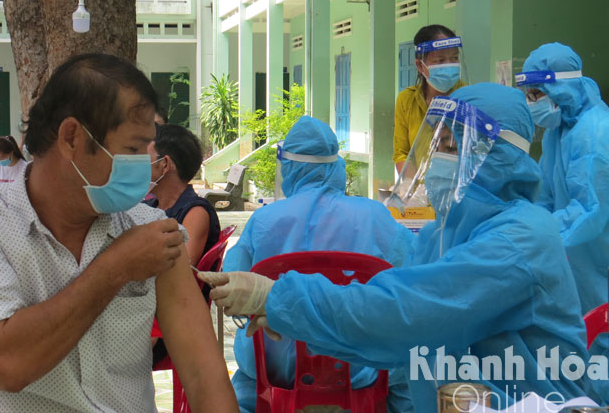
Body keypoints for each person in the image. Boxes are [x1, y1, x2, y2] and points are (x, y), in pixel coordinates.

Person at [201, 84, 608, 410]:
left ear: (496, 156)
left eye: (451, 148)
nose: (440, 162)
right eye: (439, 147)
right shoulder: (443, 232)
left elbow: (405, 312)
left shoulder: (520, 239)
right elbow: (396, 309)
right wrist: (296, 314)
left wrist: (278, 298)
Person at [0, 53, 237, 413]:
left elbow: (204, 375)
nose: (143, 165)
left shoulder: (150, 231)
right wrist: (117, 267)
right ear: (72, 137)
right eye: (133, 149)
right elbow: (7, 364)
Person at [219, 115, 416, 413]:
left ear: (287, 167)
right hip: (361, 367)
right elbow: (414, 279)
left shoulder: (263, 221)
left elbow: (232, 283)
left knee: (246, 383)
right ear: (336, 166)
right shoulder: (376, 218)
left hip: (274, 369)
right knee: (408, 374)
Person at [517, 42, 609, 356]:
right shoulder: (560, 130)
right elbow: (547, 195)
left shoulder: (594, 132)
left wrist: (537, 234)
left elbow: (590, 211)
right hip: (578, 260)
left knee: (601, 344)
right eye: (528, 95)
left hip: (598, 260)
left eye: (537, 94)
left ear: (561, 88)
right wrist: (527, 221)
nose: (532, 104)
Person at [144, 124, 220, 265]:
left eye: (142, 159)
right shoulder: (150, 206)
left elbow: (183, 266)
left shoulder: (195, 213)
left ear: (164, 164)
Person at [393, 24, 465, 174]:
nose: (449, 65)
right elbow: (402, 153)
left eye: (454, 58)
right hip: (419, 191)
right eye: (440, 60)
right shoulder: (406, 100)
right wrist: (410, 189)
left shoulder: (467, 96)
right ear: (420, 65)